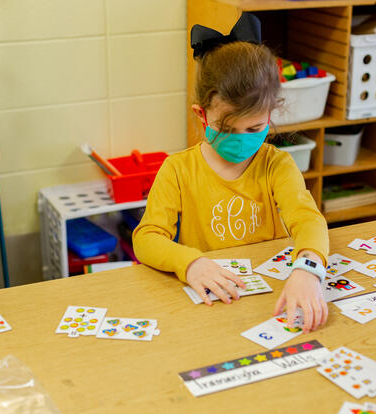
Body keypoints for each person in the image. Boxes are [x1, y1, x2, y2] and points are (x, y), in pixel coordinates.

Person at [132, 13, 330, 333]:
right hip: (212, 299)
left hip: (269, 298)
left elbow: (309, 220)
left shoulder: (276, 165)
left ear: (271, 115)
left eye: (253, 128)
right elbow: (146, 239)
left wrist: (308, 271)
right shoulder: (178, 169)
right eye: (227, 128)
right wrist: (190, 263)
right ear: (202, 114)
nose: (241, 140)